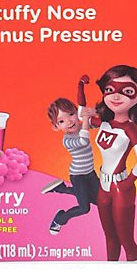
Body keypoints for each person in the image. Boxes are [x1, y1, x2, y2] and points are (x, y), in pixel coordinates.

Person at [78, 65, 137, 261]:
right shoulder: (104, 123)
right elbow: (81, 115)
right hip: (103, 186)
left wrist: (128, 182)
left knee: (127, 241)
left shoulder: (130, 128)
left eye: (127, 91)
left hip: (121, 187)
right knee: (110, 238)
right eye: (110, 89)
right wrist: (80, 87)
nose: (116, 96)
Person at [42, 96, 100, 235]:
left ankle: (61, 188)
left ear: (76, 112)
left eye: (71, 114)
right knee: (84, 208)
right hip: (78, 176)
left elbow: (98, 123)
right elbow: (83, 141)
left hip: (90, 173)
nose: (68, 121)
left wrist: (94, 113)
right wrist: (85, 119)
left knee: (99, 200)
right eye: (61, 121)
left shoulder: (81, 126)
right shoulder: (67, 140)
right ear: (56, 127)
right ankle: (60, 219)